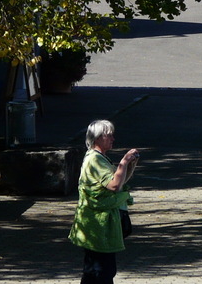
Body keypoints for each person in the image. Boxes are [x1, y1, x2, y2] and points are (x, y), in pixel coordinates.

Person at [69, 120, 140, 284]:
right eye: (109, 135)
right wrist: (123, 162)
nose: (113, 139)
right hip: (97, 226)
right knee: (102, 271)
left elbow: (117, 182)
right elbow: (114, 186)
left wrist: (129, 166)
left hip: (95, 225)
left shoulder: (100, 158)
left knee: (94, 270)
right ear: (97, 138)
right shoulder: (95, 160)